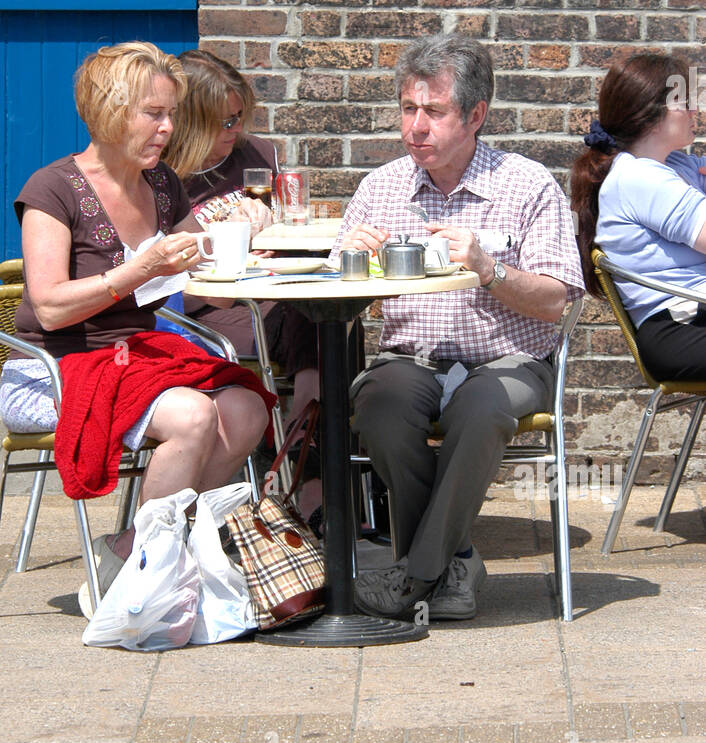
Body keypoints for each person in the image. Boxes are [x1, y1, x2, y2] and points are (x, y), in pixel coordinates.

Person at [0, 42, 273, 617]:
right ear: (110, 110)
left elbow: (198, 271)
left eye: (170, 114)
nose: (169, 128)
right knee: (194, 415)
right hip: (53, 366)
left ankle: (143, 551)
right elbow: (48, 307)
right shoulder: (52, 189)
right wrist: (138, 271)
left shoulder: (164, 184)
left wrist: (239, 234)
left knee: (248, 411)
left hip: (137, 357)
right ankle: (146, 574)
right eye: (155, 113)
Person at [331, 34, 584, 621]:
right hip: (411, 359)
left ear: (475, 116)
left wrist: (490, 270)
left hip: (509, 362)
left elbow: (557, 302)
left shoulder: (526, 186)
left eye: (434, 112)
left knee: (481, 408)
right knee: (378, 406)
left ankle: (413, 576)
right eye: (407, 109)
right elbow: (351, 304)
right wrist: (349, 260)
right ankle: (456, 561)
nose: (415, 127)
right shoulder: (381, 188)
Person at [165, 50, 322, 516]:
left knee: (327, 317)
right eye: (222, 124)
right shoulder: (160, 175)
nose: (235, 133)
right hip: (194, 309)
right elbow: (163, 264)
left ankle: (308, 455)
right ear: (188, 123)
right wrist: (229, 237)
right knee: (313, 322)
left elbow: (290, 234)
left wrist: (273, 229)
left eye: (239, 119)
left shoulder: (257, 156)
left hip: (263, 294)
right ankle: (309, 476)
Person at [570, 50, 706, 381]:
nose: (695, 110)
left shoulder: (674, 166)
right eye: (683, 101)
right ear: (649, 114)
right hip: (680, 328)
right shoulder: (640, 178)